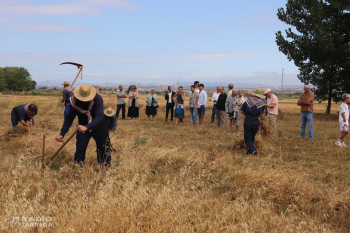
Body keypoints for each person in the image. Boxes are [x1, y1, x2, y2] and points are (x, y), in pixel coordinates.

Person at [55, 84, 114, 167]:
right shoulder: (74, 101)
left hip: (98, 125)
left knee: (103, 147)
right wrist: (62, 134)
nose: (85, 101)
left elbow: (99, 117)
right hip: (82, 126)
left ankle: (105, 168)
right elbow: (69, 119)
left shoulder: (97, 99)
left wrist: (87, 127)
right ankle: (78, 169)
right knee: (80, 148)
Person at [241, 90, 265, 156]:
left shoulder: (248, 101)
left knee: (247, 138)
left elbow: (242, 111)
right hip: (256, 121)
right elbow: (262, 114)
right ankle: (249, 151)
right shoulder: (262, 103)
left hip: (248, 120)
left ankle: (253, 150)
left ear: (255, 94)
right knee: (252, 137)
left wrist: (247, 114)